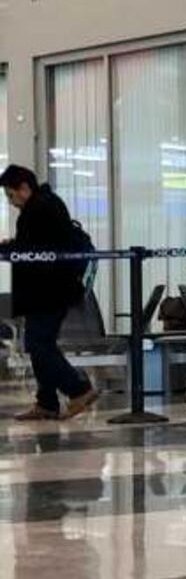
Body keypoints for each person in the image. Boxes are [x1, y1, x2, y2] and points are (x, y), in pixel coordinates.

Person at [0, 164, 97, 421]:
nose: (11, 202)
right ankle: (47, 402)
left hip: (48, 291)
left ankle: (79, 390)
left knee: (38, 343)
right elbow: (41, 244)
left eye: (11, 195)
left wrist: (10, 249)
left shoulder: (37, 209)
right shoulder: (48, 203)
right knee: (41, 343)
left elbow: (34, 252)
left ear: (24, 188)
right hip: (53, 289)